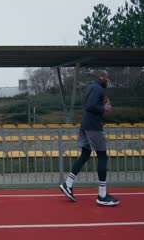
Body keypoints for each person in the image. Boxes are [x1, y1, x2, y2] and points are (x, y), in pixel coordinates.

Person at [59, 70, 120, 206]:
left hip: (86, 125)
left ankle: (68, 184)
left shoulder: (92, 88)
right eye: (107, 77)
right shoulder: (97, 88)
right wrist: (104, 107)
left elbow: (90, 105)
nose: (108, 80)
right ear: (101, 77)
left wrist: (102, 105)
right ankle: (102, 195)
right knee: (102, 157)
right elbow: (90, 106)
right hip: (93, 127)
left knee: (85, 154)